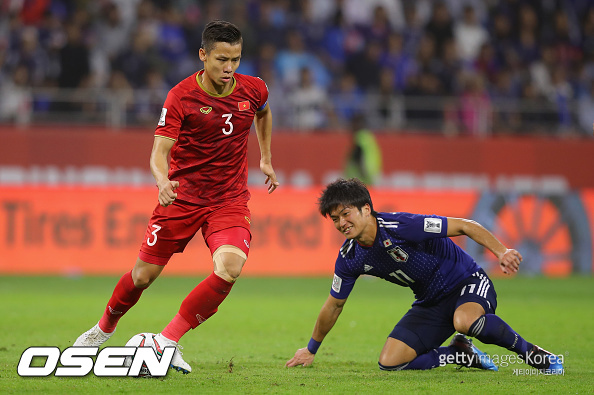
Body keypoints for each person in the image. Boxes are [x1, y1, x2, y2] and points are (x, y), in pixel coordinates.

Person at [73, 20, 280, 374]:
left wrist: (265, 157)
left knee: (230, 267)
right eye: (221, 60)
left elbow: (262, 112)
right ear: (203, 55)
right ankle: (102, 329)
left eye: (236, 59)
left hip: (228, 200)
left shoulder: (253, 88)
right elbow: (159, 151)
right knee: (141, 277)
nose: (229, 68)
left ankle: (165, 341)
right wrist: (161, 180)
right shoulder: (181, 96)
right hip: (181, 199)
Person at [286, 178, 563, 374]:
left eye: (345, 214)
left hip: (468, 282)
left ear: (366, 209)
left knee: (464, 320)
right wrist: (311, 348)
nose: (341, 223)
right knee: (390, 362)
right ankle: (458, 353)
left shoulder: (402, 226)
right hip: (431, 302)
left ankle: (533, 353)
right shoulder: (350, 257)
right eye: (335, 219)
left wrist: (501, 252)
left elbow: (465, 226)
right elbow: (334, 304)